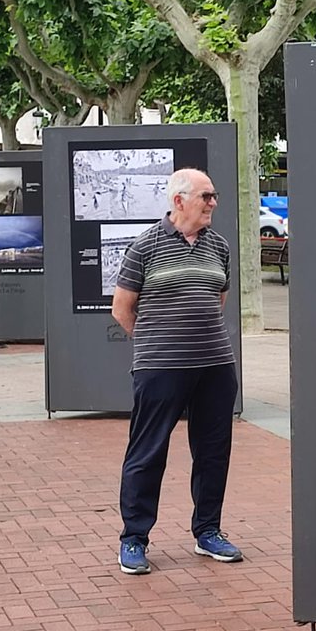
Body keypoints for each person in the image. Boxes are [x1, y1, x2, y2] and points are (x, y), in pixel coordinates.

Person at [111, 167, 241, 576]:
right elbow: (122, 309)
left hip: (215, 366)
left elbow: (218, 299)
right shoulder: (145, 246)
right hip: (160, 367)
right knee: (148, 451)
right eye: (206, 196)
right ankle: (134, 537)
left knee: (213, 452)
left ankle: (208, 531)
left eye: (214, 195)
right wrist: (156, 343)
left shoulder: (219, 246)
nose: (213, 203)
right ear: (179, 200)